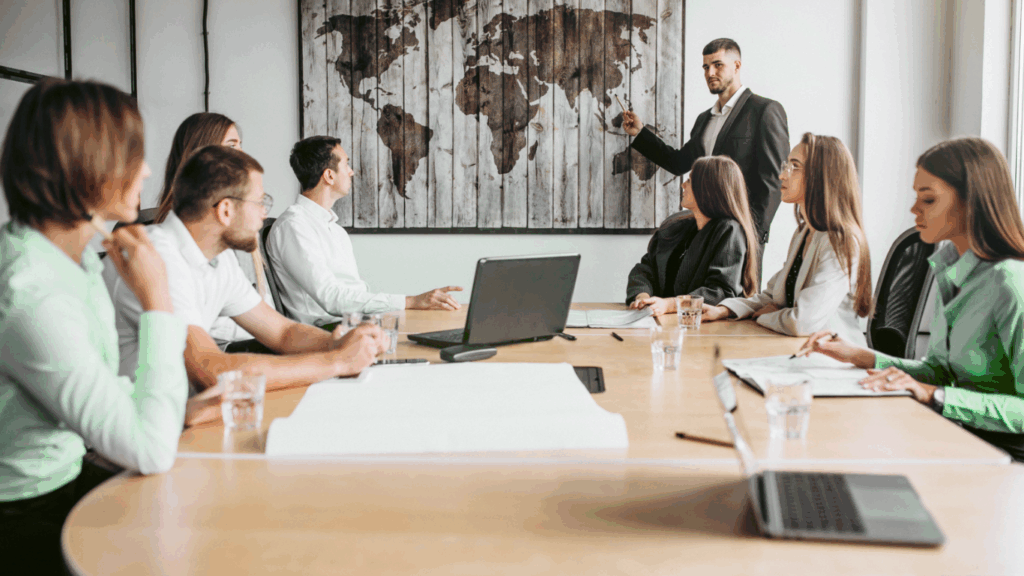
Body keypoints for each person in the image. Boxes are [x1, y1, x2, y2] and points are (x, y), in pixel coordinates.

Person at [0, 79, 187, 574]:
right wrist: (158, 301)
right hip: (25, 519)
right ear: (91, 166)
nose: (146, 171)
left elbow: (95, 385)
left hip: (67, 481)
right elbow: (148, 450)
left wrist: (180, 409)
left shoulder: (68, 258)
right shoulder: (32, 293)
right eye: (134, 156)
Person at [109, 144, 387, 415]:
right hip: (134, 428)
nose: (265, 214)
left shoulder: (219, 259)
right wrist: (335, 362)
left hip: (181, 415)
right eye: (260, 202)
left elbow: (282, 332)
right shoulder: (158, 257)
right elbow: (210, 371)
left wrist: (339, 342)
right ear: (226, 210)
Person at [799, 137, 1024, 461]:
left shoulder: (1010, 285)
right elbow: (940, 373)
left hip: (1001, 455)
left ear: (970, 202)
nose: (914, 209)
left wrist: (935, 395)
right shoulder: (950, 267)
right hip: (954, 433)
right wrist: (858, 356)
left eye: (928, 199)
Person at [622, 38, 789, 279]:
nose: (710, 72)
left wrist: (753, 233)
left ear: (737, 66)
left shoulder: (764, 110)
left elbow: (774, 179)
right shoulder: (704, 120)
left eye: (718, 65)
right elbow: (678, 162)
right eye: (705, 67)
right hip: (703, 230)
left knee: (736, 307)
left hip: (742, 233)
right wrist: (640, 133)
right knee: (702, 302)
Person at [267, 136, 462, 326]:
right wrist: (410, 301)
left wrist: (408, 305)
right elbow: (331, 298)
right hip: (326, 332)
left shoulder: (334, 230)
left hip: (353, 322)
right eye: (346, 165)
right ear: (329, 175)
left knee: (442, 322)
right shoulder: (293, 226)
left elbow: (352, 293)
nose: (351, 172)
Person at [702, 133, 872, 343]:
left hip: (830, 360)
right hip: (795, 348)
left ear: (822, 176)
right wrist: (725, 310)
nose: (782, 175)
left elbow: (803, 322)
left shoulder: (841, 241)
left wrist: (767, 315)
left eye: (795, 166)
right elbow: (772, 296)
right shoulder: (803, 233)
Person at [153, 112, 273, 348]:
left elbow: (258, 305)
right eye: (232, 146)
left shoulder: (234, 227)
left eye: (240, 145)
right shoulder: (188, 230)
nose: (242, 155)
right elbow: (203, 323)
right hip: (224, 349)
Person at [626, 155, 759, 315]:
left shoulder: (729, 231)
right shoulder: (676, 225)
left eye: (689, 181)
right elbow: (645, 269)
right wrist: (642, 296)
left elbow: (720, 291)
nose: (683, 185)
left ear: (708, 188)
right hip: (660, 322)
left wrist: (669, 305)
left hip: (702, 329)